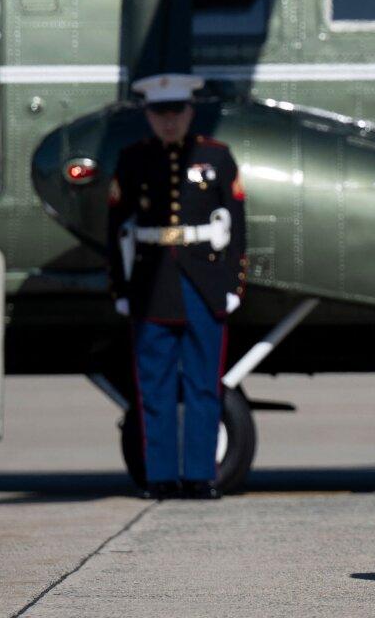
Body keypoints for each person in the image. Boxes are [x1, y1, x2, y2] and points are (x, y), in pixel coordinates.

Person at [107, 73, 248, 500]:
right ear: (148, 115)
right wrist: (120, 288)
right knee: (155, 387)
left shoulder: (216, 157)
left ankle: (201, 476)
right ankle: (161, 477)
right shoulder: (133, 160)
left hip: (202, 283)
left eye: (176, 112)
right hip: (152, 284)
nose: (168, 122)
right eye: (159, 113)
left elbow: (236, 225)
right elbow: (116, 227)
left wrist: (233, 283)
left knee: (205, 383)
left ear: (190, 112)